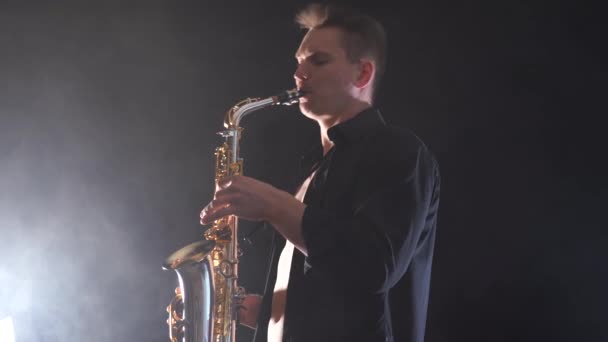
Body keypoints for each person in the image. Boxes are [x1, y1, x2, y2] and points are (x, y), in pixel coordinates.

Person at [200, 3, 440, 342]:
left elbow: (375, 266)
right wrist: (269, 312)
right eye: (299, 61)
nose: (299, 74)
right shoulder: (314, 166)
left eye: (319, 60)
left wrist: (275, 205)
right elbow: (334, 286)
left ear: (362, 74)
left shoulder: (400, 151)